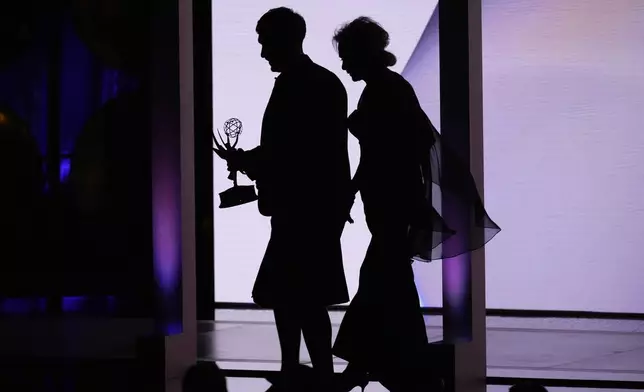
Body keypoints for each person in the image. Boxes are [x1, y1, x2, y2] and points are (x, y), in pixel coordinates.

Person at [330, 17, 500, 392]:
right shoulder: (389, 89)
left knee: (381, 278)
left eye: (347, 57)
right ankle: (401, 365)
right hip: (395, 201)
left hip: (392, 203)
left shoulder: (382, 92)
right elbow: (397, 149)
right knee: (390, 282)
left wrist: (356, 189)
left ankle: (369, 364)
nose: (344, 66)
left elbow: (383, 152)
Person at [213, 7, 352, 392]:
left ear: (284, 40)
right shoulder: (322, 83)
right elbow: (306, 151)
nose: (262, 52)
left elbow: (290, 153)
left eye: (265, 42)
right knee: (303, 295)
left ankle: (296, 367)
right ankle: (316, 370)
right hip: (316, 209)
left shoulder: (296, 84)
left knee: (293, 295)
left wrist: (249, 161)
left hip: (300, 211)